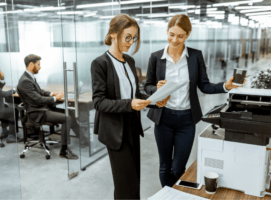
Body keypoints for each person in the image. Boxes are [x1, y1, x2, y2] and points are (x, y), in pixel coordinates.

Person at [144, 14, 246, 188]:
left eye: (180, 36)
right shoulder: (156, 57)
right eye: (171, 34)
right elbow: (147, 86)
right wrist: (156, 89)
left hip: (186, 120)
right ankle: (169, 195)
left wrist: (226, 86)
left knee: (178, 168)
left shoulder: (195, 56)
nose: (174, 40)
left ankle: (174, 192)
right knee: (164, 167)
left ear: (188, 34)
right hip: (164, 118)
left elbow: (204, 86)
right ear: (167, 32)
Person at [91, 14, 170, 200]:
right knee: (126, 185)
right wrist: (129, 104)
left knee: (134, 181)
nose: (131, 42)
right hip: (115, 131)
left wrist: (154, 100)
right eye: (127, 37)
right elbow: (99, 102)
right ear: (113, 34)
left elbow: (135, 95)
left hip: (133, 127)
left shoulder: (130, 61)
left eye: (134, 38)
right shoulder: (100, 63)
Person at [17, 54, 78, 159]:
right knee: (67, 118)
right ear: (31, 65)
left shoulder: (29, 77)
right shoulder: (25, 81)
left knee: (70, 113)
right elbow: (38, 99)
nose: (40, 67)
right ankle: (64, 150)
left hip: (41, 109)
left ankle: (83, 138)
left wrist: (52, 94)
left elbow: (40, 92)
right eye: (38, 64)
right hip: (37, 112)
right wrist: (56, 98)